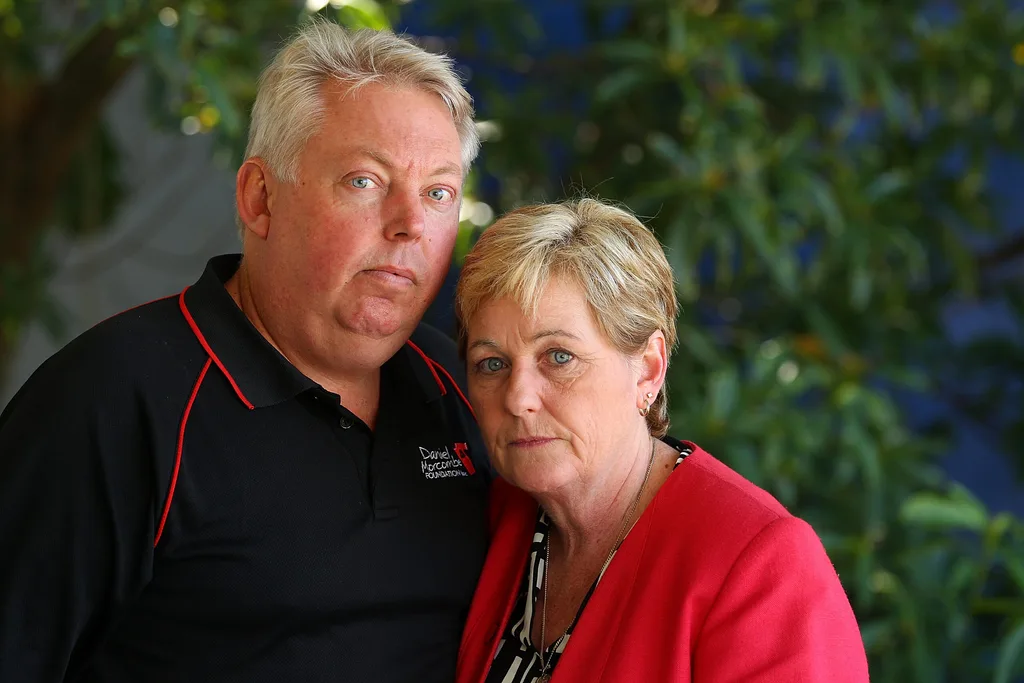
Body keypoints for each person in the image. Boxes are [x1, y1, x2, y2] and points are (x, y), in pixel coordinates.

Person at [0, 19, 490, 683]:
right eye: (364, 181)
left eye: (437, 193)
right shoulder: (114, 400)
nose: (410, 224)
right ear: (260, 199)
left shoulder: (474, 392)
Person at [453, 198, 870, 683]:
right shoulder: (503, 514)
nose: (518, 397)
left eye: (559, 357)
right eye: (492, 363)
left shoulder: (763, 566)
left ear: (648, 369)